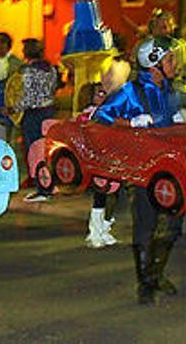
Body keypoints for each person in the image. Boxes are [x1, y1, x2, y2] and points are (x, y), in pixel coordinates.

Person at [94, 36, 184, 305]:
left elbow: (173, 119)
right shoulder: (131, 91)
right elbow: (101, 116)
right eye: (169, 58)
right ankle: (145, 283)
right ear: (154, 63)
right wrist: (130, 121)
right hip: (143, 168)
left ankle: (155, 274)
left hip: (170, 166)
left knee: (173, 222)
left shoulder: (170, 89)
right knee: (146, 222)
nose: (174, 62)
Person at [13, 39, 59, 203]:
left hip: (33, 115)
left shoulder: (27, 71)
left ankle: (42, 188)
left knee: (34, 152)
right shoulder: (51, 69)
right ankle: (50, 184)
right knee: (46, 150)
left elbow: (27, 96)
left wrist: (13, 108)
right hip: (49, 112)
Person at [77, 82, 118, 248]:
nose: (103, 96)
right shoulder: (88, 115)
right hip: (97, 161)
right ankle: (95, 232)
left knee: (114, 194)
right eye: (99, 93)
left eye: (104, 93)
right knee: (100, 196)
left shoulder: (107, 112)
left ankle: (104, 229)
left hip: (111, 159)